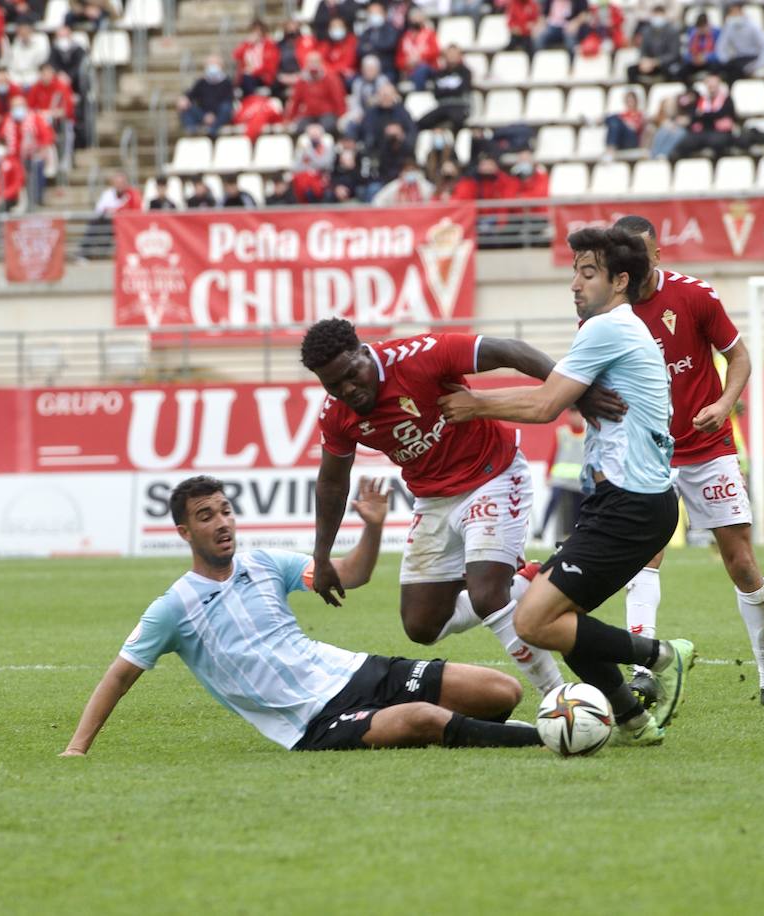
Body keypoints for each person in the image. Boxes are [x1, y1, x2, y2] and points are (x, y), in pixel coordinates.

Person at [59, 476, 542, 756]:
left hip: (354, 671)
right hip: (313, 721)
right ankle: (540, 739)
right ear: (185, 532)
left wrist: (371, 529)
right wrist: (77, 748)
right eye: (206, 516)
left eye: (225, 511)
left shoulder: (266, 563)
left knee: (502, 690)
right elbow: (120, 675)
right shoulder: (174, 607)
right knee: (420, 719)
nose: (222, 522)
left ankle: (466, 727)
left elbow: (348, 575)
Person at [436, 227, 695, 748]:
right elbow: (567, 396)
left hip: (632, 506)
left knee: (533, 619)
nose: (575, 283)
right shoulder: (609, 328)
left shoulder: (609, 328)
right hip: (622, 504)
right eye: (574, 272)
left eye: (588, 273)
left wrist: (475, 404)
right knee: (556, 614)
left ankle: (662, 657)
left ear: (621, 281)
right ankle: (632, 719)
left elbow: (542, 406)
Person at [301, 320, 620, 696]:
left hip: (493, 475)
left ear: (363, 350)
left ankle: (559, 699)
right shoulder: (336, 414)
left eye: (351, 374)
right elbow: (332, 482)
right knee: (421, 626)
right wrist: (321, 557)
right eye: (333, 385)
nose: (347, 389)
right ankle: (531, 580)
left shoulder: (420, 356)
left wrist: (573, 392)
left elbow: (507, 349)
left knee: (487, 597)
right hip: (433, 499)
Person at [614, 214, 764, 707]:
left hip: (706, 448)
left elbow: (740, 358)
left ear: (658, 254)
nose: (632, 266)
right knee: (643, 557)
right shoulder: (606, 312)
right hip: (648, 450)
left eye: (641, 255)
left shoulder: (695, 296)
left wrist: (723, 404)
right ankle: (640, 670)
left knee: (739, 562)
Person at [536, 408, 586, 544]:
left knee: (577, 510)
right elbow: (553, 453)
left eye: (577, 413)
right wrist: (548, 474)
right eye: (572, 414)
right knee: (554, 500)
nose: (574, 417)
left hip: (578, 482)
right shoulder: (562, 432)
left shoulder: (588, 434)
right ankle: (541, 529)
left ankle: (573, 535)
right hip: (560, 479)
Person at [284, 53, 346, 134]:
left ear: (321, 63)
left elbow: (338, 98)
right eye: (310, 62)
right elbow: (295, 101)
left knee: (329, 126)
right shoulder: (302, 81)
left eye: (315, 62)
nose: (313, 65)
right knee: (299, 128)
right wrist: (289, 119)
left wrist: (341, 116)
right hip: (308, 114)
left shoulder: (330, 78)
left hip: (327, 113)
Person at [715, 3, 764, 82]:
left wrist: (757, 65)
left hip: (752, 58)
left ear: (741, 12)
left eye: (735, 12)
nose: (733, 15)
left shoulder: (753, 26)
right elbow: (721, 47)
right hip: (738, 58)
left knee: (736, 70)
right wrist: (725, 60)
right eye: (731, 12)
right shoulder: (729, 27)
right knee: (719, 68)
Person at [179, 56, 235, 137]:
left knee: (226, 108)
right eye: (210, 64)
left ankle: (213, 130)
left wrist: (213, 116)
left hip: (219, 115)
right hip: (203, 114)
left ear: (221, 66)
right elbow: (190, 95)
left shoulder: (227, 82)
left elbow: (229, 101)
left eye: (215, 63)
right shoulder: (201, 82)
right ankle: (192, 131)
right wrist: (184, 99)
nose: (212, 66)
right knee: (186, 107)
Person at [627, 5, 682, 84]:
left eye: (660, 15)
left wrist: (657, 61)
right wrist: (644, 60)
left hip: (664, 64)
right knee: (631, 70)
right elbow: (642, 50)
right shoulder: (646, 31)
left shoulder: (673, 31)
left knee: (671, 71)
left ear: (665, 16)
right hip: (650, 64)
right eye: (655, 15)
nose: (657, 18)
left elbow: (674, 54)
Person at [233, 19, 280, 95]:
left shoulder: (270, 46)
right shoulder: (248, 45)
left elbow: (270, 66)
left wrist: (254, 71)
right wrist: (246, 44)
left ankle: (253, 99)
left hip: (263, 76)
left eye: (258, 31)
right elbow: (236, 55)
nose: (256, 34)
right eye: (253, 31)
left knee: (247, 79)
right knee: (245, 79)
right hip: (248, 76)